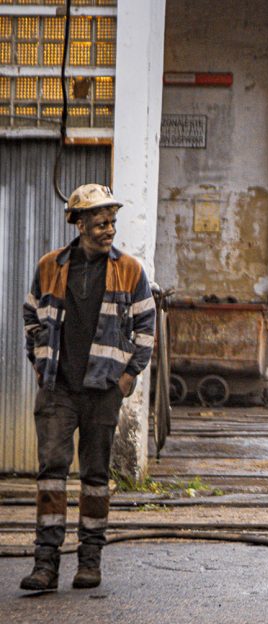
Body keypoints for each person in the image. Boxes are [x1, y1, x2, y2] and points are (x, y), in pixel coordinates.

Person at [20, 183, 155, 591]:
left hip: (102, 389)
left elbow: (147, 327)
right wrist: (41, 365)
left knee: (95, 475)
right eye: (100, 222)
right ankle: (46, 565)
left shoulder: (129, 270)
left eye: (112, 222)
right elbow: (31, 317)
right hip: (58, 389)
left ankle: (89, 561)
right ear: (79, 223)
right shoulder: (50, 266)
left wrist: (129, 375)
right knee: (51, 474)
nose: (109, 229)